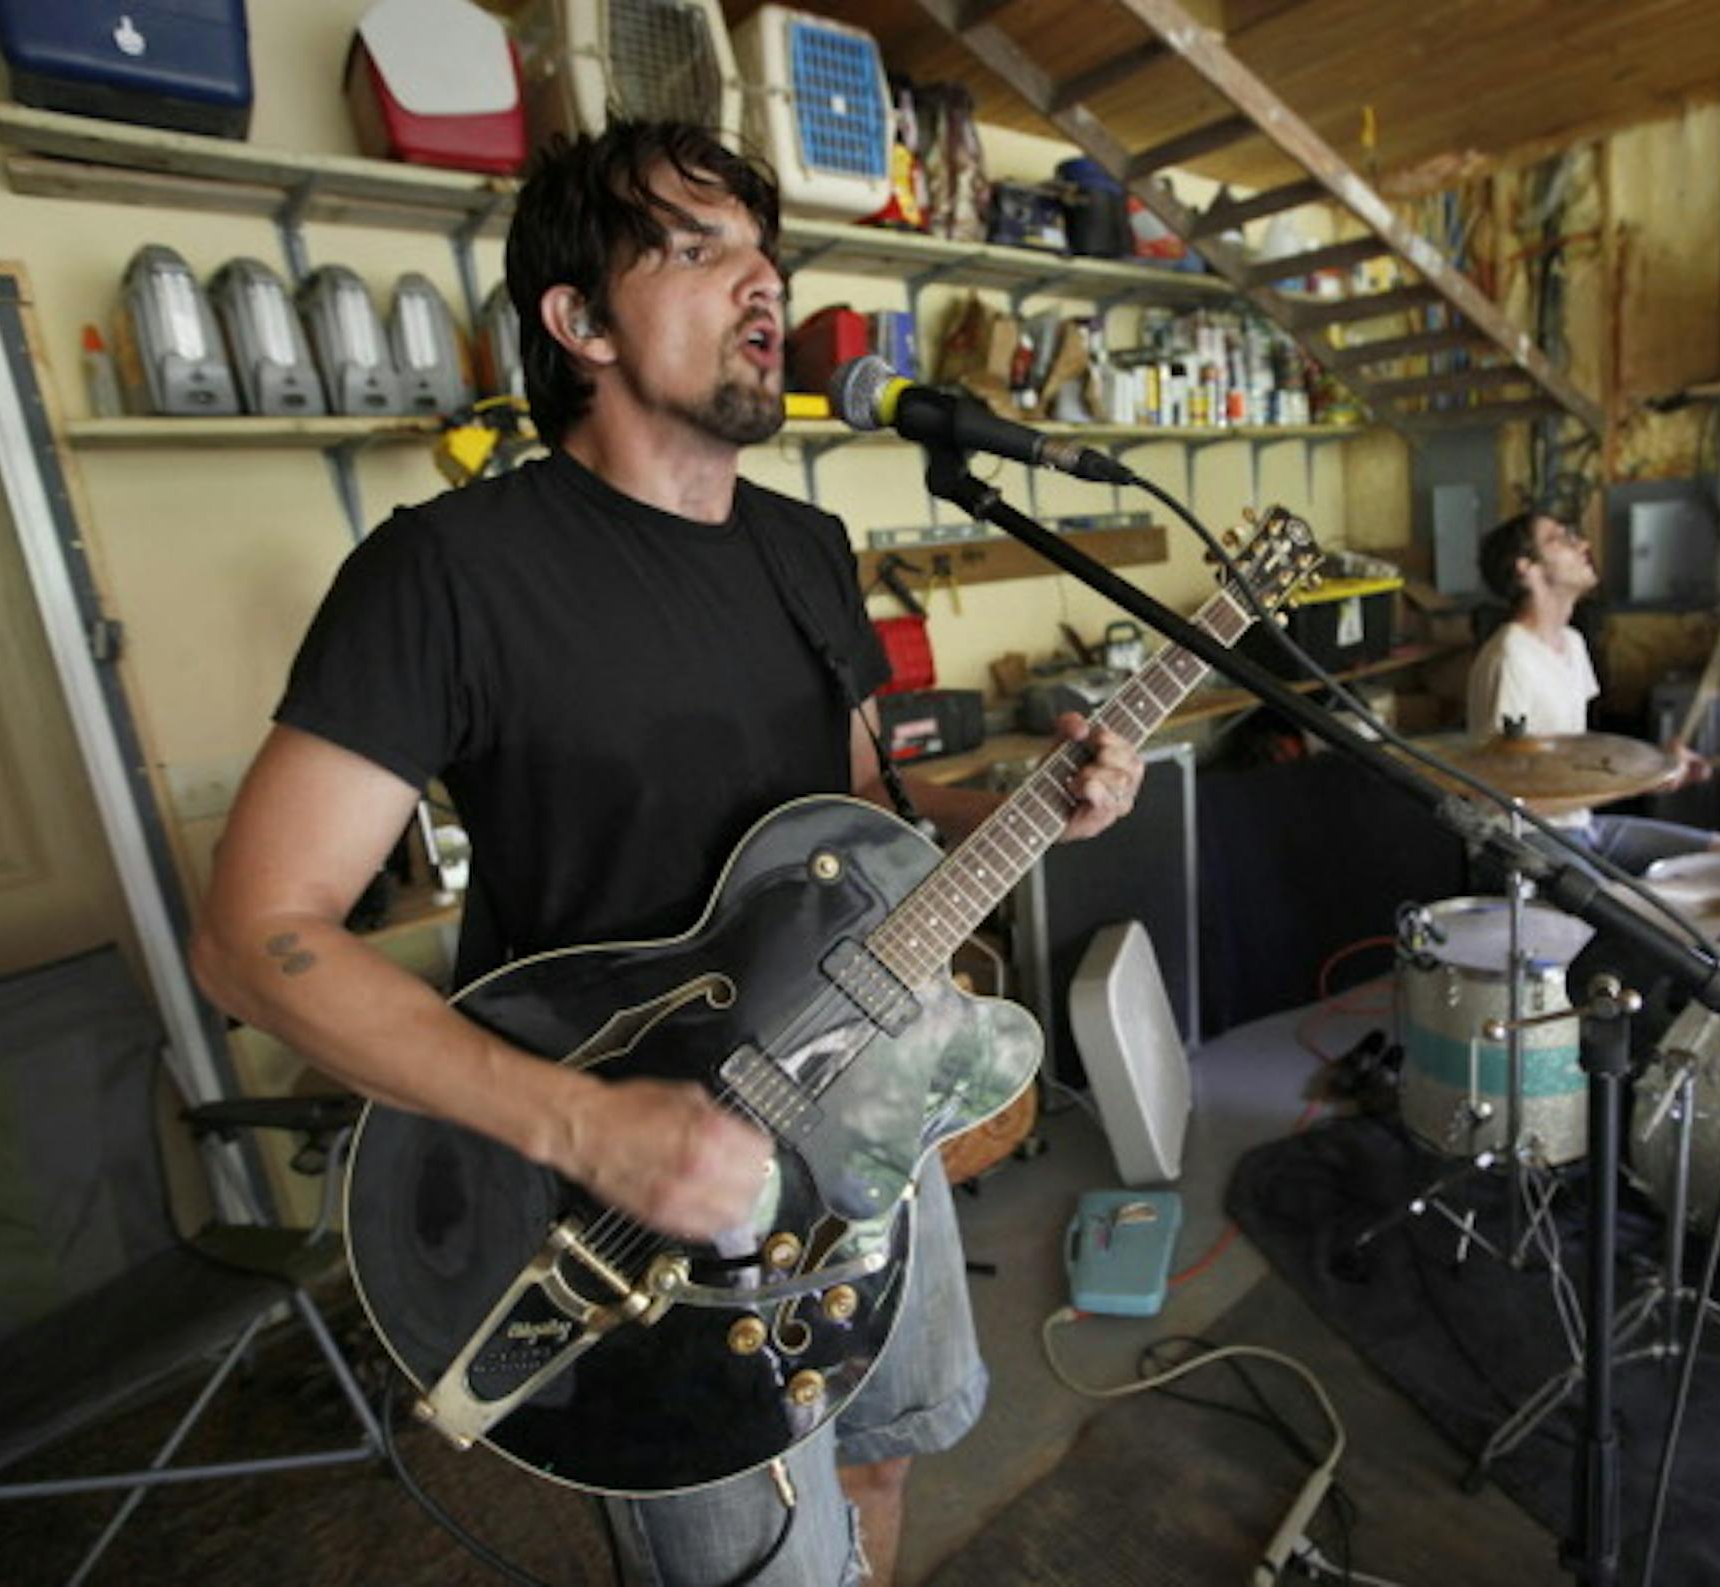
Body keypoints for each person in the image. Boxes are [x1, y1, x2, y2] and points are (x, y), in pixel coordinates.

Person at [189, 121, 1146, 1587]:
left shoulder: (804, 547)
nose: (761, 283)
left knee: (886, 1444)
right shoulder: (447, 573)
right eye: (699, 250)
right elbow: (254, 932)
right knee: (750, 1563)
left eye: (764, 251)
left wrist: (1022, 802)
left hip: (861, 1103)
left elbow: (839, 824)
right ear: (578, 321)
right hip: (626, 1202)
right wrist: (586, 1124)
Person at [1467, 508, 1720, 872]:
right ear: (1526, 567)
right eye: (1561, 539)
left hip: (1581, 825)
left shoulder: (1573, 643)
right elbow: (1499, 796)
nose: (1584, 545)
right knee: (1624, 915)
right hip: (1521, 836)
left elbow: (1580, 753)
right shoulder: (1510, 655)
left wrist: (1657, 762)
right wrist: (1640, 783)